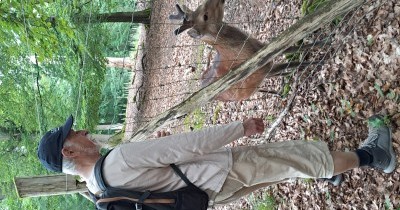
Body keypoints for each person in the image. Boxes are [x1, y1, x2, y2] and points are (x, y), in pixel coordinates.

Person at [37, 115, 397, 206]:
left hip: (210, 195)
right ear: (70, 152)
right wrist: (239, 127)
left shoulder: (97, 190)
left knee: (287, 169)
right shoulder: (118, 159)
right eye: (76, 134)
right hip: (222, 170)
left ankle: (330, 172)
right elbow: (188, 146)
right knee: (298, 157)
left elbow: (156, 181)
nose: (84, 131)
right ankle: (375, 155)